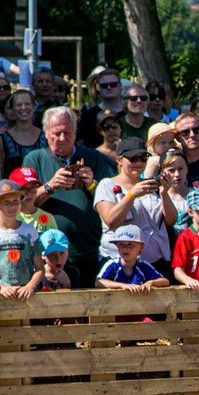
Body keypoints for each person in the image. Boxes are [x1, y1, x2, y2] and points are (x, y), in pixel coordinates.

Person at [23, 106, 118, 286]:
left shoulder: (94, 157)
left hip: (89, 249)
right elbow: (25, 204)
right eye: (56, 133)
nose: (62, 138)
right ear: (45, 133)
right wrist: (50, 186)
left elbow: (113, 199)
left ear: (75, 133)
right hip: (50, 254)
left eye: (67, 133)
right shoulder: (35, 159)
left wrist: (91, 184)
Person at [93, 137, 176, 273]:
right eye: (133, 158)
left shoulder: (150, 184)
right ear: (119, 160)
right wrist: (131, 195)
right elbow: (110, 220)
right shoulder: (107, 184)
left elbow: (171, 220)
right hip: (119, 264)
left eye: (143, 158)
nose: (138, 163)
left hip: (155, 263)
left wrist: (164, 193)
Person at [0, 179, 44, 300]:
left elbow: (40, 268)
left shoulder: (29, 231)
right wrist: (0, 288)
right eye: (6, 202)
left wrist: (30, 286)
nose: (12, 207)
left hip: (26, 296)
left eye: (16, 201)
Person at [95, 224, 169, 292]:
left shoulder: (142, 265)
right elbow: (99, 282)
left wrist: (152, 282)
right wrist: (122, 286)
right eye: (121, 245)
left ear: (141, 247)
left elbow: (165, 281)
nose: (125, 249)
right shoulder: (113, 264)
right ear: (117, 246)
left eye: (130, 245)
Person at [0, 90, 46, 174]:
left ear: (34, 107)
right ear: (12, 109)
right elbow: (0, 170)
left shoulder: (46, 136)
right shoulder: (3, 139)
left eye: (27, 104)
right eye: (19, 105)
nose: (23, 108)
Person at [76, 68, 124, 147]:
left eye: (113, 84)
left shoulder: (130, 112)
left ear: (120, 86)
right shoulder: (89, 115)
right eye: (104, 85)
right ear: (98, 88)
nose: (109, 87)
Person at [9, 166, 56, 234]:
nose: (29, 193)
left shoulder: (48, 217)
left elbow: (57, 242)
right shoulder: (9, 218)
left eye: (33, 187)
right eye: (23, 188)